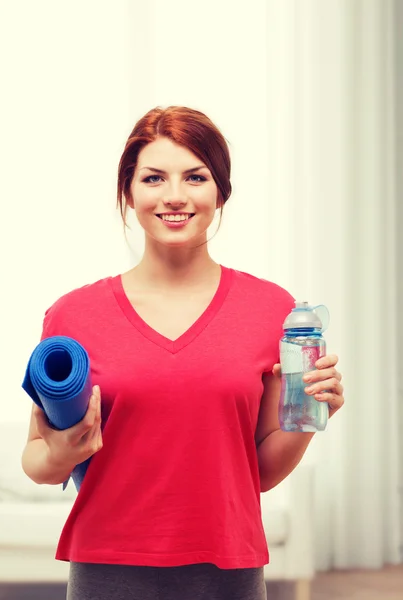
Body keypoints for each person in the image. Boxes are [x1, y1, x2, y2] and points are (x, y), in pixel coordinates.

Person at [21, 106, 345, 600]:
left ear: (221, 191)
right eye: (154, 178)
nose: (175, 196)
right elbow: (37, 461)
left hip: (227, 568)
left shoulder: (272, 310)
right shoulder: (73, 315)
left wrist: (309, 414)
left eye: (195, 177)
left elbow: (257, 475)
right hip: (108, 567)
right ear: (129, 193)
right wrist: (64, 453)